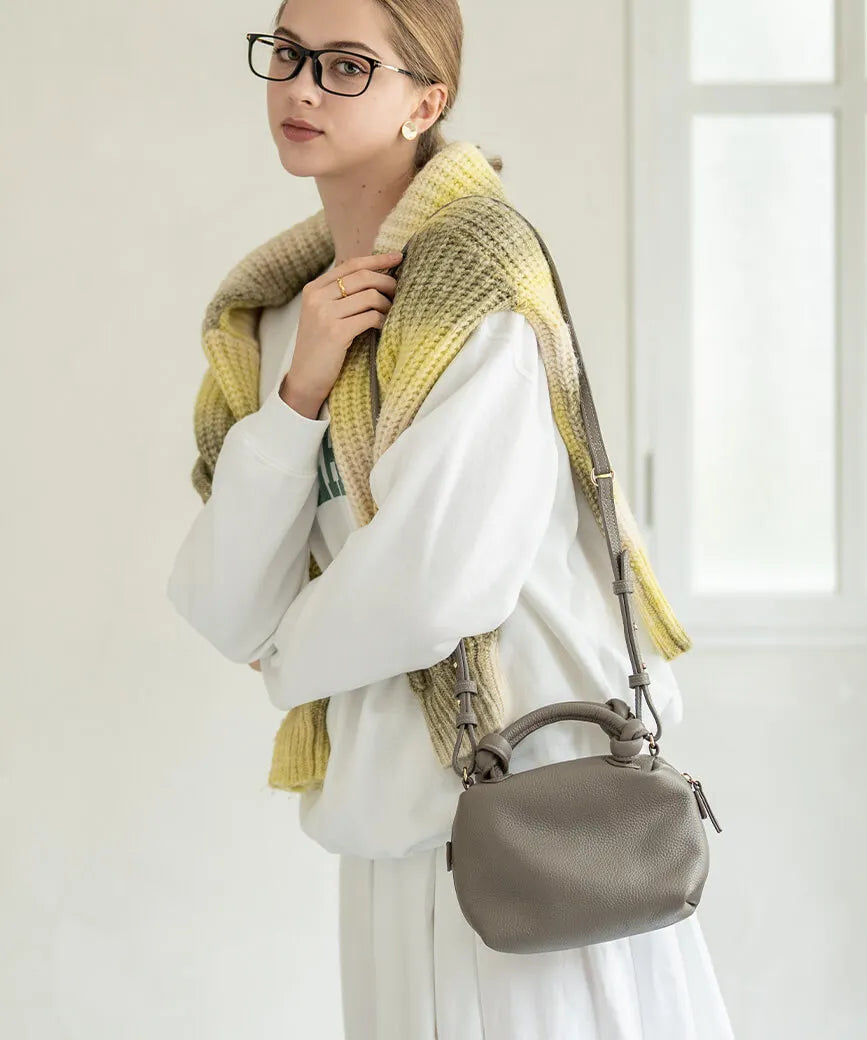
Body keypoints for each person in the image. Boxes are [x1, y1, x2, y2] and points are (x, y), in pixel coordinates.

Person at [166, 1, 736, 1036]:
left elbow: (441, 576)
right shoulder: (272, 323)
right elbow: (220, 602)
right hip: (387, 828)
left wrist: (294, 652)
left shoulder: (476, 277)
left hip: (543, 814)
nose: (299, 86)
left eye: (346, 66)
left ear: (426, 100)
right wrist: (297, 395)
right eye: (289, 55)